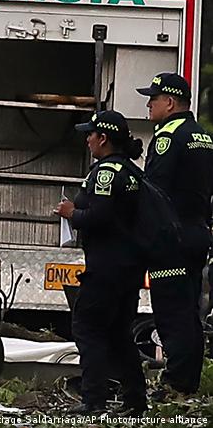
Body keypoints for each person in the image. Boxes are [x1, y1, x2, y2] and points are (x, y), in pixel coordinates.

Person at [55, 110, 147, 415]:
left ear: (103, 138)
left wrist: (72, 215)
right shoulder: (133, 172)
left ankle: (93, 399)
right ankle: (135, 400)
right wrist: (76, 204)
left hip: (107, 267)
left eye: (90, 134)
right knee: (120, 334)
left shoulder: (106, 172)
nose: (87, 139)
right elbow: (93, 202)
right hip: (130, 268)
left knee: (87, 328)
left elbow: (99, 216)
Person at [136, 72, 213, 395]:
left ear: (170, 102)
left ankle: (176, 384)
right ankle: (188, 380)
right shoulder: (203, 136)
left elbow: (154, 191)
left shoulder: (168, 136)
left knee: (171, 311)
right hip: (197, 233)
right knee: (190, 309)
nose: (149, 104)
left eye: (153, 99)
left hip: (172, 238)